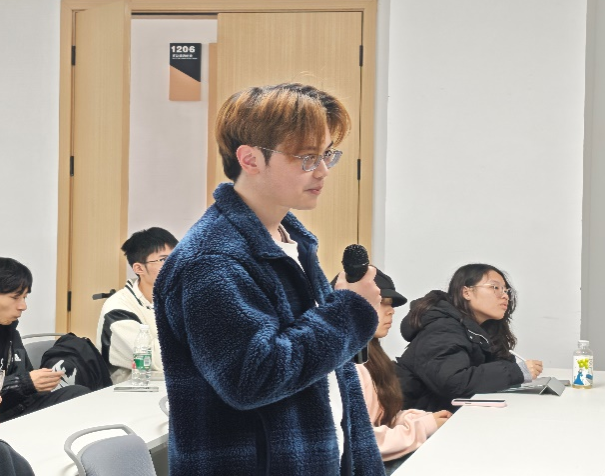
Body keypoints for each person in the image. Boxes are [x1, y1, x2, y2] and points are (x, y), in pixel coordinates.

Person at [154, 83, 385, 475]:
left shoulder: (289, 241)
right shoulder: (211, 260)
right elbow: (252, 378)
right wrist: (350, 311)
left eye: (327, 154)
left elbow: (330, 376)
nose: (323, 170)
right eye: (307, 157)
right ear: (250, 159)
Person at [394, 263, 543, 413]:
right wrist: (515, 372)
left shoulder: (478, 329)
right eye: (495, 287)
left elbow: (496, 365)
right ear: (466, 292)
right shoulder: (443, 327)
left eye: (505, 290)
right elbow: (453, 382)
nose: (505, 296)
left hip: (448, 413)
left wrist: (515, 370)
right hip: (417, 417)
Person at [354, 268, 452, 475]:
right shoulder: (345, 365)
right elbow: (355, 440)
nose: (391, 311)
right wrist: (421, 427)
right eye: (382, 302)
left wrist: (421, 419)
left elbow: (382, 417)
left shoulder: (373, 358)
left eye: (390, 304)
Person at [0, 257, 89, 423]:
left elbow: (24, 380)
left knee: (78, 394)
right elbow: (22, 382)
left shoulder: (10, 333)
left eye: (25, 297)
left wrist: (41, 382)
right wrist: (24, 383)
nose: (23, 306)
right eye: (15, 297)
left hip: (18, 409)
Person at [96, 227, 178, 383]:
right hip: (133, 388)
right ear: (139, 268)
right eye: (164, 260)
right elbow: (157, 360)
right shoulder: (118, 308)